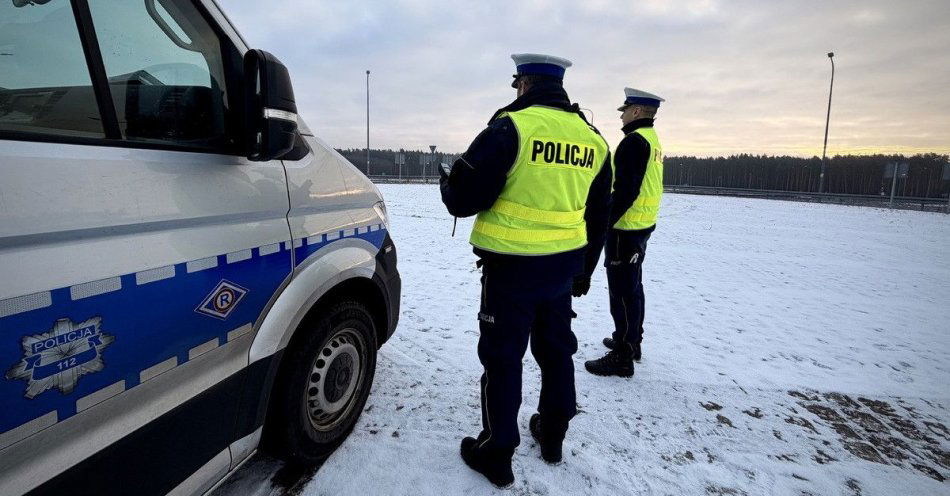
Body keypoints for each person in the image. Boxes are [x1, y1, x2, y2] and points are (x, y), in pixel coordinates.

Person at [439, 53, 611, 488]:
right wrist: (584, 271)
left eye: (517, 83)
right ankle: (552, 435)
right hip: (562, 271)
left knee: (502, 358)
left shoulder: (511, 126)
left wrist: (448, 182)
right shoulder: (594, 140)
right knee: (556, 353)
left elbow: (464, 198)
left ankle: (496, 452)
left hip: (510, 270)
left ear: (525, 84)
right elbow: (599, 214)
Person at [583, 88, 665, 378]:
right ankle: (630, 341)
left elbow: (626, 190)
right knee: (633, 287)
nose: (622, 113)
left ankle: (623, 356)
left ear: (638, 111)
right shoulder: (651, 140)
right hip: (641, 225)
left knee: (622, 292)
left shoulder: (633, 142)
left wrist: (605, 221)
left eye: (626, 109)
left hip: (625, 228)